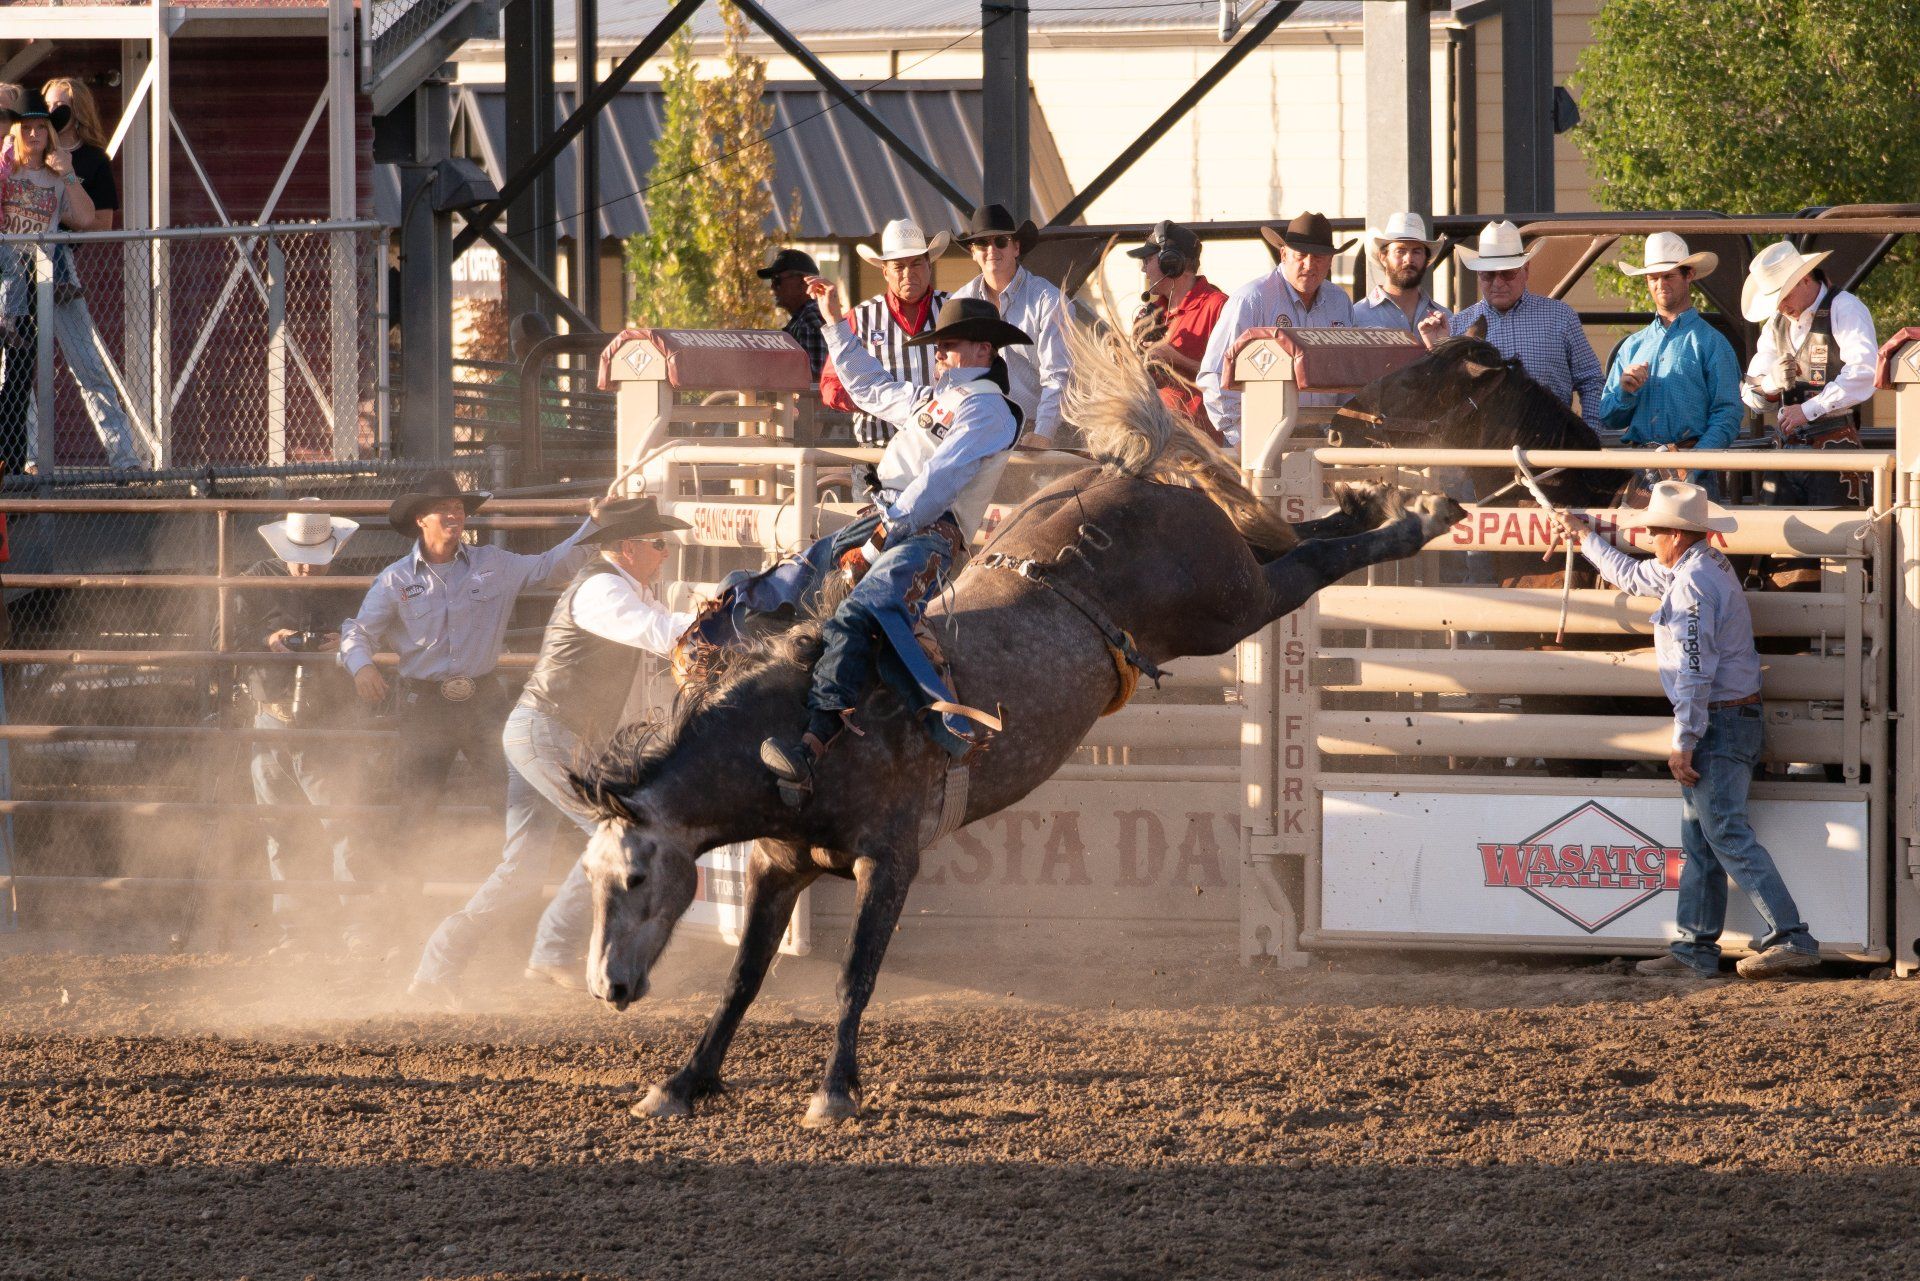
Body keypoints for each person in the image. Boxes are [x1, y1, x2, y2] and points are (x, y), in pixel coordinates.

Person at [411, 496, 695, 1006]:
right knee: (616, 838)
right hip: (551, 734)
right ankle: (554, 948)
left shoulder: (617, 587)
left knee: (524, 869)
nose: (665, 553)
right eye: (658, 543)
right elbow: (663, 633)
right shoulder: (604, 590)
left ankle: (439, 967)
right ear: (627, 548)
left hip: (545, 733)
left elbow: (662, 625)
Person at [760, 283, 1027, 793]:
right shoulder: (938, 400)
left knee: (862, 610)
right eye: (940, 344)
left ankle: (817, 740)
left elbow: (940, 480)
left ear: (983, 350)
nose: (941, 352)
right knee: (796, 578)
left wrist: (880, 539)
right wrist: (836, 323)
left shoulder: (991, 411)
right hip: (890, 518)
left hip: (929, 534)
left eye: (950, 343)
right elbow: (871, 387)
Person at [1555, 481, 1821, 980]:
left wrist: (1684, 740)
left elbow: (1695, 669)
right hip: (1727, 718)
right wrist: (1585, 537)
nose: (1650, 536)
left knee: (1721, 832)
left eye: (1655, 530)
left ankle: (1792, 937)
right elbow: (1633, 576)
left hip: (1717, 722)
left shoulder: (1693, 582)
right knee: (1703, 836)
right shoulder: (1697, 567)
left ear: (1676, 535)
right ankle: (1695, 949)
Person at [338, 472, 605, 824]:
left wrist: (594, 525)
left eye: (457, 506)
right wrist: (363, 666)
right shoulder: (395, 580)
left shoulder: (493, 563)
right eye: (442, 508)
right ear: (421, 520)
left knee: (508, 796)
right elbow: (356, 632)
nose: (453, 514)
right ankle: (402, 880)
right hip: (425, 705)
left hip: (484, 699)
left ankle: (512, 874)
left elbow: (549, 567)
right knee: (416, 806)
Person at [237, 500, 371, 955]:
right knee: (282, 826)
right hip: (274, 712)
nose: (306, 569)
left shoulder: (349, 585)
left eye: (315, 561)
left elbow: (379, 630)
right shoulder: (256, 579)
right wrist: (265, 640)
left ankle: (354, 927)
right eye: (300, 560)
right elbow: (224, 637)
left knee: (343, 825)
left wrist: (348, 641)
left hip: (328, 718)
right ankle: (297, 931)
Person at [40, 77, 142, 471]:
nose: (52, 112)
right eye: (47, 104)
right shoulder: (31, 151)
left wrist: (63, 209)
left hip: (62, 266)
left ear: (76, 111)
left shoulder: (93, 160)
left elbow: (101, 222)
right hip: (21, 267)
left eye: (60, 105)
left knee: (88, 367)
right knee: (13, 367)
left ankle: (124, 458)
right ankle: (27, 458)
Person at [1422, 220, 1604, 430]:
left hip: (1552, 439)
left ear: (1525, 270)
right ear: (1479, 275)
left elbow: (1591, 380)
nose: (1498, 283)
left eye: (1507, 273)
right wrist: (1437, 350)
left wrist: (1591, 433)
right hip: (1486, 444)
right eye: (1488, 274)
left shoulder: (1560, 316)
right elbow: (1442, 397)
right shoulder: (1458, 325)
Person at [0, 88, 98, 476]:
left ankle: (13, 461)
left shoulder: (57, 179)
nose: (35, 135)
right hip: (5, 278)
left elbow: (86, 219)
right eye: (27, 128)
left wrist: (70, 173)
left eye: (42, 128)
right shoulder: (5, 169)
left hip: (38, 281)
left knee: (21, 376)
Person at [1198, 211, 1355, 447]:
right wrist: (1240, 435)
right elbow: (1214, 374)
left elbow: (1348, 371)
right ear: (1284, 254)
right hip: (1263, 437)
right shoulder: (1251, 300)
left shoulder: (1339, 302)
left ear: (1330, 261)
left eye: (1319, 257)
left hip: (1324, 440)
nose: (1309, 264)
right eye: (1301, 255)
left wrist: (1345, 430)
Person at [1739, 240, 1878, 507]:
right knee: (1779, 539)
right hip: (1787, 451)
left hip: (1834, 445)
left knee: (1836, 541)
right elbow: (1750, 390)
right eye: (1775, 301)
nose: (1780, 307)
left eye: (1784, 297)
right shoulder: (1776, 324)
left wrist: (1809, 408)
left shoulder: (1845, 307)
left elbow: (1864, 371)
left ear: (1804, 279)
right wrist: (1771, 384)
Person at [1598, 233, 1742, 489]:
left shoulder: (1711, 343)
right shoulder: (1632, 345)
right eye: (1653, 277)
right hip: (1641, 468)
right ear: (1646, 281)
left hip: (1691, 465)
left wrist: (1695, 462)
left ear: (1689, 276)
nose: (1660, 284)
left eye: (1669, 276)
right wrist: (1625, 391)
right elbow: (1608, 416)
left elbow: (1728, 413)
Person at [817, 219, 951, 446]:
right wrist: (878, 400)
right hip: (878, 449)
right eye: (899, 266)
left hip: (940, 447)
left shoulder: (954, 309)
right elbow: (831, 386)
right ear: (885, 271)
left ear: (929, 265)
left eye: (916, 263)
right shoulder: (859, 317)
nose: (909, 273)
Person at [949, 204, 1069, 440]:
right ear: (973, 252)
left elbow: (1058, 375)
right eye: (983, 243)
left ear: (1016, 247)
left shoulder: (1049, 301)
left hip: (1036, 428)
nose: (992, 249)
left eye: (1000, 241)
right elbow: (949, 374)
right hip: (978, 428)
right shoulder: (959, 303)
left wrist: (1043, 434)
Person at [1126, 219, 1226, 437]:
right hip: (1158, 442)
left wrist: (1175, 358)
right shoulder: (1150, 314)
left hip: (1207, 448)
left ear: (1170, 262)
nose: (1143, 268)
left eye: (1148, 259)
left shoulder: (1218, 307)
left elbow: (1233, 383)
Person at [1351, 211, 1450, 332]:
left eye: (1416, 252)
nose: (1408, 259)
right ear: (1383, 257)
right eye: (1400, 251)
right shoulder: (1356, 316)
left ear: (1426, 259)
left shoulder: (1446, 319)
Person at [759, 247, 827, 379]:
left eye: (777, 280)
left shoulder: (810, 319)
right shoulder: (806, 317)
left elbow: (815, 384)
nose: (773, 287)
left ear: (804, 282)